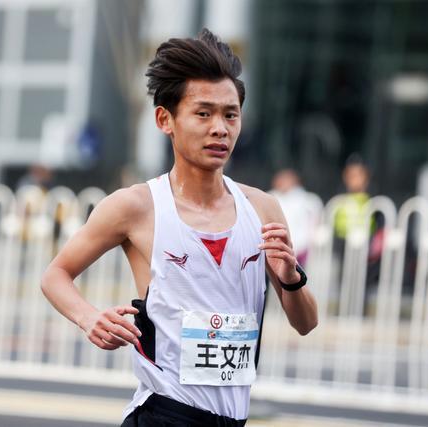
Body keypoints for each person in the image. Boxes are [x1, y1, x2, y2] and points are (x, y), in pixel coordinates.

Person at [41, 28, 318, 426]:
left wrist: (290, 278)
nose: (220, 128)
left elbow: (306, 324)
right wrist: (89, 318)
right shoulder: (136, 206)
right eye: (203, 114)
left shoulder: (262, 208)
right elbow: (55, 275)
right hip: (164, 415)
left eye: (230, 114)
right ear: (165, 119)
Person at [269, 169, 322, 266]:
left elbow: (315, 221)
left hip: (301, 247)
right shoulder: (270, 196)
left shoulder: (308, 199)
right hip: (276, 247)